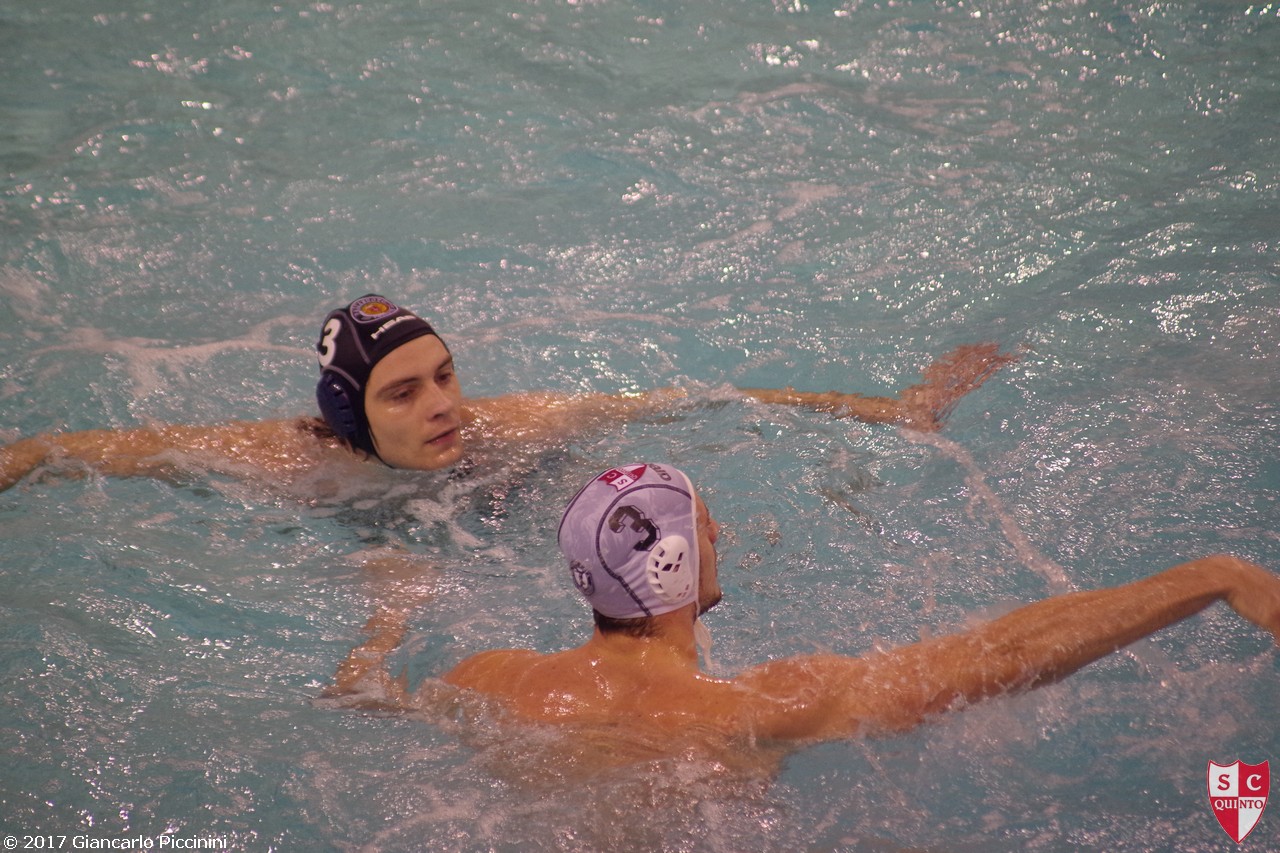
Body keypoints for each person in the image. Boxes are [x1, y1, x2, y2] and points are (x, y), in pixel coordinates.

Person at [327, 462, 1280, 750]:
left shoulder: (489, 679)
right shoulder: (757, 708)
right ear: (678, 565)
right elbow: (996, 656)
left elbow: (361, 696)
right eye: (709, 526)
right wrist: (1207, 576)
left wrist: (386, 619)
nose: (724, 537)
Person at [0, 294, 1015, 491]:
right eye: (402, 393)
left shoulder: (515, 429)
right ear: (351, 418)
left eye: (444, 375)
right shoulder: (285, 460)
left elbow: (702, 396)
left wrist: (890, 409)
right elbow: (71, 448)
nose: (442, 404)